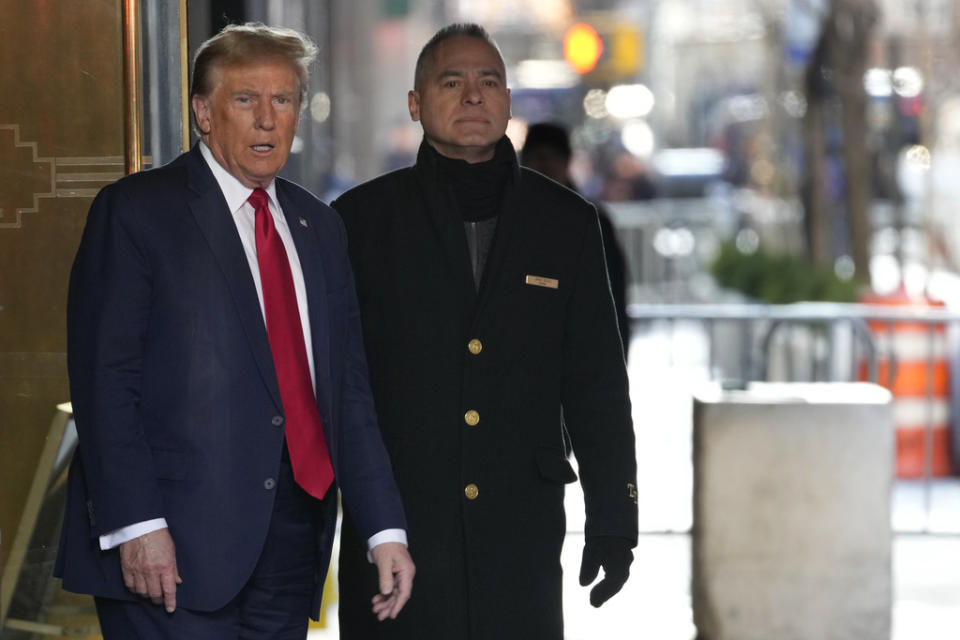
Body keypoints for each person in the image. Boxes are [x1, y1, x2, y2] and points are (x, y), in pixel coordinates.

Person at [55, 23, 414, 638]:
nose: (268, 120)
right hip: (170, 548)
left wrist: (385, 529)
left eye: (284, 100)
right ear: (203, 112)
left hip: (291, 544)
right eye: (246, 100)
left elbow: (347, 392)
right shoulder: (138, 211)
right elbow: (104, 380)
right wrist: (137, 525)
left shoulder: (318, 227)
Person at [332, 23, 638, 639]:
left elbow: (597, 384)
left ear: (507, 101)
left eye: (489, 81)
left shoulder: (567, 224)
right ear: (416, 105)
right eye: (452, 81)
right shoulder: (359, 223)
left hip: (519, 534)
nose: (473, 96)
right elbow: (337, 390)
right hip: (398, 533)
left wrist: (613, 519)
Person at [521, 122, 632, 351]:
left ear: (567, 161)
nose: (545, 165)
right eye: (539, 157)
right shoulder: (508, 217)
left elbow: (614, 301)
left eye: (553, 157)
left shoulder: (591, 221)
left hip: (580, 352)